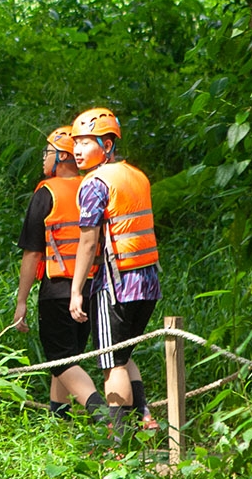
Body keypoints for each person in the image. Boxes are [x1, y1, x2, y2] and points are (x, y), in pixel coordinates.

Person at [65, 108, 161, 435]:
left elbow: (88, 241)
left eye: (85, 142)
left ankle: (120, 441)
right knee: (124, 353)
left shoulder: (95, 183)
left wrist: (76, 290)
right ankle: (144, 419)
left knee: (112, 363)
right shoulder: (136, 175)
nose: (76, 150)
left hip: (116, 285)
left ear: (106, 145)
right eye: (75, 142)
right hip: (148, 281)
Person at [10, 127, 103, 419]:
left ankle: (107, 418)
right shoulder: (92, 186)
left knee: (61, 360)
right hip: (91, 287)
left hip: (58, 290)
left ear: (62, 156)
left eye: (48, 152)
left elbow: (32, 253)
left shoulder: (47, 192)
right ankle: (60, 423)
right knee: (65, 362)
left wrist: (21, 301)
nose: (43, 157)